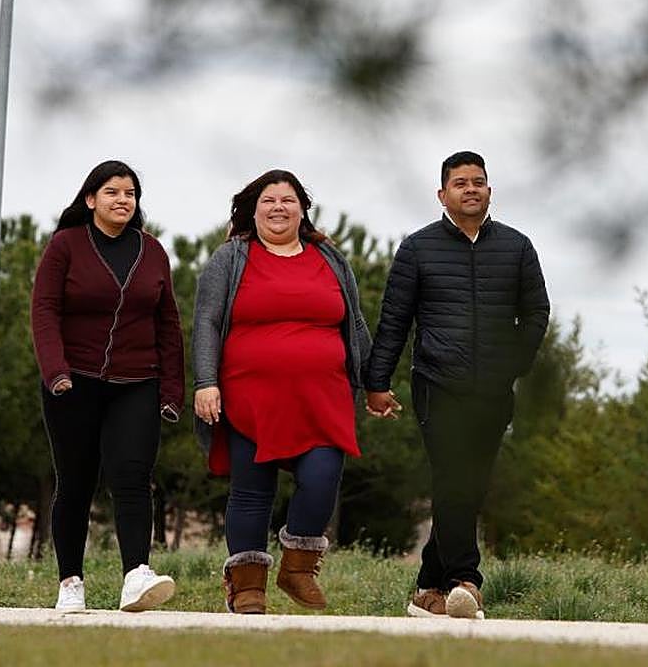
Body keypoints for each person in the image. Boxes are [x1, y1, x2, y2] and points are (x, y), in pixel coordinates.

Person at [364, 151, 550, 620]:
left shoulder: (517, 247)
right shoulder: (418, 248)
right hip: (437, 383)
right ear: (442, 194)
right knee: (454, 478)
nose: (471, 188)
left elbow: (536, 313)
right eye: (461, 182)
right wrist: (377, 382)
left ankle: (428, 587)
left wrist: (514, 365)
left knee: (471, 485)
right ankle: (466, 581)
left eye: (479, 181)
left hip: (492, 388)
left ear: (490, 191)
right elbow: (394, 322)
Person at [192, 169, 374, 614]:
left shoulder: (330, 258)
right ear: (252, 211)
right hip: (249, 396)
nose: (278, 207)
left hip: (322, 397)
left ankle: (297, 568)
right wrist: (205, 381)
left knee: (322, 478)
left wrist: (376, 384)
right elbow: (207, 322)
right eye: (268, 200)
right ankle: (247, 585)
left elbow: (354, 324)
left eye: (287, 200)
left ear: (302, 209)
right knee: (252, 490)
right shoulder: (230, 258)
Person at [31, 160, 183, 613]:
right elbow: (44, 311)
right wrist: (56, 371)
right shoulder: (65, 246)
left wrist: (172, 389)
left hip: (137, 382)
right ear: (90, 199)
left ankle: (136, 575)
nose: (123, 200)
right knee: (75, 483)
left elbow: (168, 322)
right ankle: (70, 582)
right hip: (72, 383)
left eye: (130, 193)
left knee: (133, 476)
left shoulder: (151, 251)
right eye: (113, 192)